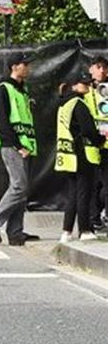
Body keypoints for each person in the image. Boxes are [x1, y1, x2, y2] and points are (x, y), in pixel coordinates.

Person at [0, 53, 39, 246]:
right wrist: (18, 146)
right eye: (25, 64)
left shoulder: (22, 90)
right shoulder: (4, 88)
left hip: (25, 145)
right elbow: (3, 121)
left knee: (22, 190)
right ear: (14, 67)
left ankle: (15, 233)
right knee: (19, 186)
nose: (28, 68)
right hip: (13, 145)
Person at [55, 74, 104, 243]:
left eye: (89, 83)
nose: (88, 86)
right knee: (84, 193)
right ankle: (84, 230)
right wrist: (100, 139)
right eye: (84, 84)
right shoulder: (79, 104)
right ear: (74, 86)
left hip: (68, 155)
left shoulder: (64, 104)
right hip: (82, 154)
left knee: (73, 194)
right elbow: (88, 130)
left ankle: (66, 231)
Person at [85, 56, 108, 230]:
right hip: (91, 142)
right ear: (90, 69)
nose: (102, 71)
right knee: (93, 183)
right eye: (98, 67)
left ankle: (100, 215)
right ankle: (93, 217)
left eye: (104, 68)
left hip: (106, 143)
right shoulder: (85, 89)